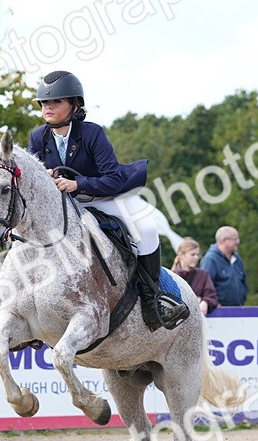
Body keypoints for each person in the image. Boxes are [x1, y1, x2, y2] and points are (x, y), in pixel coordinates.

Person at [28, 70, 189, 330]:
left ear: (75, 105)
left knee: (146, 228)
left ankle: (152, 299)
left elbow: (112, 178)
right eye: (45, 102)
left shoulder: (92, 133)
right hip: (66, 206)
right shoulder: (38, 137)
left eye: (56, 101)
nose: (49, 107)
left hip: (103, 196)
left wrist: (78, 184)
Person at [200, 226, 247, 306]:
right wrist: (215, 304)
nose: (238, 242)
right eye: (235, 239)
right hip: (219, 309)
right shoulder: (210, 259)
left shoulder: (237, 259)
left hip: (238, 307)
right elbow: (205, 286)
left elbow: (243, 281)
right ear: (225, 240)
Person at [171, 238, 219, 316]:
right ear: (181, 255)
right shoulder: (171, 276)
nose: (196, 257)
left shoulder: (203, 275)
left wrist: (205, 301)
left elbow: (212, 297)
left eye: (197, 255)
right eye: (192, 254)